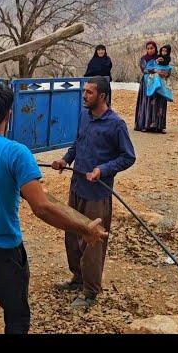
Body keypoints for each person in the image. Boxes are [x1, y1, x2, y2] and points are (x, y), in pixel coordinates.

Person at [0, 82, 108, 334]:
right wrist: (84, 228)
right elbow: (41, 207)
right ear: (9, 114)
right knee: (17, 318)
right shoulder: (16, 153)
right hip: (2, 251)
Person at [51, 76, 136, 309]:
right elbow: (77, 145)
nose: (84, 96)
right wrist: (65, 159)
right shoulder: (84, 116)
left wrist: (103, 169)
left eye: (89, 92)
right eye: (84, 91)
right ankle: (77, 279)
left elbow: (128, 157)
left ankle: (90, 291)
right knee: (71, 235)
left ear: (102, 96)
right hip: (77, 186)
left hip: (97, 193)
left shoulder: (116, 124)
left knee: (92, 242)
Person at [134, 41, 169, 133]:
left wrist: (166, 73)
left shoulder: (160, 58)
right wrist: (156, 71)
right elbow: (144, 69)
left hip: (159, 83)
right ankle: (145, 125)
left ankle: (159, 126)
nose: (150, 50)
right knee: (147, 102)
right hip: (147, 83)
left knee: (159, 103)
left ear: (155, 48)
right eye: (148, 48)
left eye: (152, 48)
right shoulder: (144, 58)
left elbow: (167, 68)